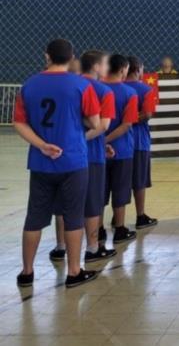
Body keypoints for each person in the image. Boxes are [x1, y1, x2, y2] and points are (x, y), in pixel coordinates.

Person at [13, 39, 101, 288]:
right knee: (73, 216)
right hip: (72, 160)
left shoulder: (29, 85)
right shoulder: (82, 86)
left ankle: (27, 272)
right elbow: (95, 123)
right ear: (71, 58)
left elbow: (19, 122)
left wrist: (42, 144)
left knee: (35, 217)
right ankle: (74, 271)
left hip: (41, 162)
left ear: (47, 56)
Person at [50, 50, 118, 265]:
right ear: (97, 67)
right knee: (92, 203)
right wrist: (81, 139)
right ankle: (92, 248)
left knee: (63, 203)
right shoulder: (103, 91)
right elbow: (103, 125)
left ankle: (60, 246)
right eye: (105, 64)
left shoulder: (68, 86)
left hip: (62, 154)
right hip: (90, 155)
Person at [102, 54, 140, 245]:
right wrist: (107, 139)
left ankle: (98, 229)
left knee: (99, 191)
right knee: (120, 190)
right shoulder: (129, 93)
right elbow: (126, 125)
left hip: (97, 151)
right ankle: (120, 228)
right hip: (122, 149)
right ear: (124, 69)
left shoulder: (97, 90)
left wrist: (100, 140)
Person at [125, 56, 158, 229]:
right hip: (139, 140)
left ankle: (118, 218)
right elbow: (147, 115)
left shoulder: (115, 88)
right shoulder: (145, 89)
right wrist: (131, 119)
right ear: (138, 70)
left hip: (119, 140)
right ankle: (140, 216)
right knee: (139, 180)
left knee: (120, 181)